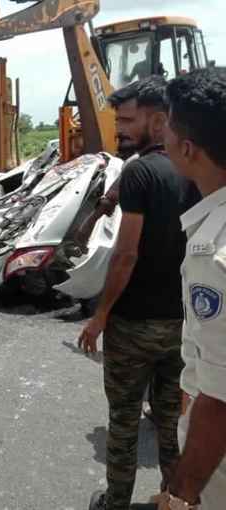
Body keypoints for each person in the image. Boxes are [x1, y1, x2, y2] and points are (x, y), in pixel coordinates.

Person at [78, 76, 201, 510]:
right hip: (180, 324)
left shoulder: (139, 173)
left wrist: (100, 316)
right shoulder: (192, 172)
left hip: (134, 326)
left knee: (125, 423)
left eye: (129, 120)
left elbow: (126, 255)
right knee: (170, 424)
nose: (120, 128)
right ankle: (173, 499)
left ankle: (116, 503)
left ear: (159, 118)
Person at [157, 67, 226, 510]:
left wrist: (181, 495)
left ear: (186, 148)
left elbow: (221, 400)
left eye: (166, 125)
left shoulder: (213, 255)